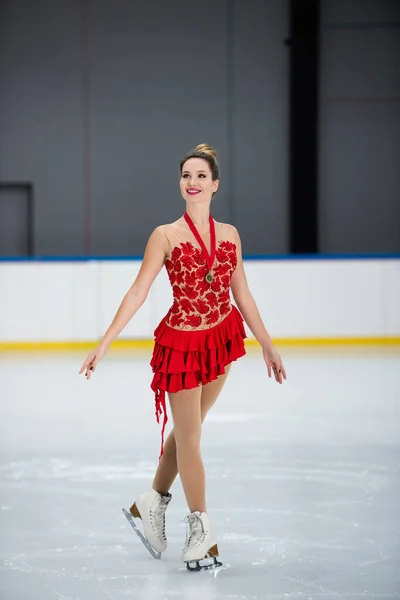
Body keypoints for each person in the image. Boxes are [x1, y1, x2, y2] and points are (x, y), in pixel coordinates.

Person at [79, 143, 286, 570]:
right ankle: (201, 529)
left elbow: (241, 293)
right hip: (181, 346)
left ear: (215, 185)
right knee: (190, 438)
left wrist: (266, 341)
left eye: (200, 176)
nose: (191, 182)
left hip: (221, 339)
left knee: (187, 432)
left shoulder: (229, 235)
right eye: (185, 175)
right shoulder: (165, 235)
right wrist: (105, 341)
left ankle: (150, 503)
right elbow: (139, 290)